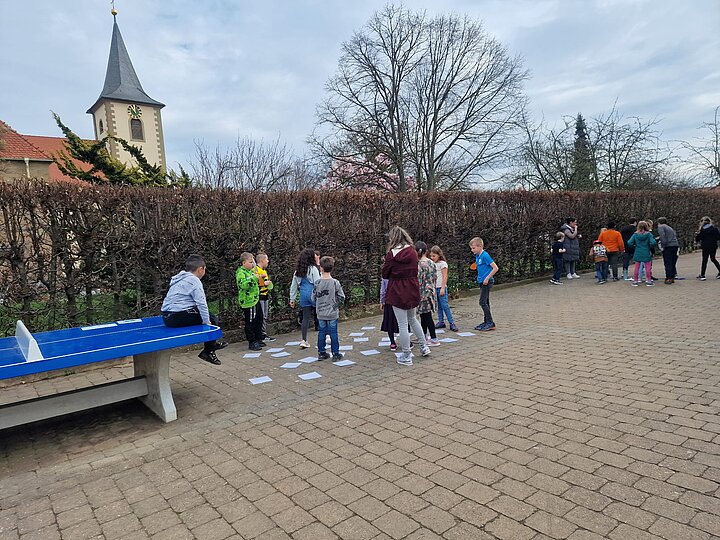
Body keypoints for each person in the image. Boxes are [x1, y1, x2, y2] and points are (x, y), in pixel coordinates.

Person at [161, 254, 226, 366]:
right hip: (177, 317)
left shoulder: (179, 279)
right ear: (200, 269)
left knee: (199, 311)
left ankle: (211, 346)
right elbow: (202, 303)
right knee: (213, 318)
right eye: (205, 269)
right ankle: (208, 351)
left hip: (167, 317)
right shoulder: (194, 281)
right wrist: (207, 322)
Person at [381, 226, 431, 366]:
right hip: (412, 287)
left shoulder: (392, 254)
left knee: (402, 324)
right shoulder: (413, 251)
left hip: (397, 289)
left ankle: (406, 355)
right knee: (413, 319)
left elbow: (385, 273)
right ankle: (424, 346)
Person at [312, 256, 346, 361]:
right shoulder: (335, 283)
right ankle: (335, 353)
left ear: (321, 268)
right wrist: (335, 305)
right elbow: (342, 297)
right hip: (332, 312)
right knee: (333, 333)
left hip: (321, 312)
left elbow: (312, 297)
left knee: (321, 332)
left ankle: (322, 353)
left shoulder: (317, 283)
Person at [289, 248, 321, 348]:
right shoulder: (313, 269)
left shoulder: (297, 271)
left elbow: (293, 285)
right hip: (313, 294)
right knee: (320, 316)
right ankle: (324, 338)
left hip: (303, 295)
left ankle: (304, 340)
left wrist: (292, 298)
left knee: (305, 318)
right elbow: (318, 282)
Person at [470, 237, 499, 331]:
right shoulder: (477, 256)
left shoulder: (485, 255)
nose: (472, 250)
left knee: (482, 302)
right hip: (481, 282)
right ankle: (486, 322)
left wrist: (487, 278)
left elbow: (495, 268)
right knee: (486, 302)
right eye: (471, 248)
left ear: (480, 246)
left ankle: (490, 323)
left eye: (473, 248)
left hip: (487, 282)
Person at [236, 252, 263, 350]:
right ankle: (252, 341)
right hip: (248, 301)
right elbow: (243, 285)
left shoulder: (251, 271)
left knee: (259, 319)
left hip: (255, 299)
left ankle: (258, 338)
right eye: (250, 262)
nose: (252, 264)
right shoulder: (241, 272)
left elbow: (256, 281)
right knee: (251, 321)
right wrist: (253, 278)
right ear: (243, 263)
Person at [416, 242, 440, 346]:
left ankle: (434, 338)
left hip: (422, 293)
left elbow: (417, 279)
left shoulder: (419, 264)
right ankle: (424, 336)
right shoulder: (431, 262)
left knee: (427, 316)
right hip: (431, 291)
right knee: (425, 315)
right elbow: (435, 277)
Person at [429, 245, 458, 331]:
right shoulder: (433, 264)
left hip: (441, 288)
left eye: (434, 256)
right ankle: (441, 322)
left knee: (445, 305)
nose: (432, 257)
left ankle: (452, 322)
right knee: (439, 306)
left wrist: (442, 288)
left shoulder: (443, 264)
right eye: (431, 256)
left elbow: (445, 276)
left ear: (439, 255)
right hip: (435, 288)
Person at [252, 253, 275, 341]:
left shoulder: (264, 270)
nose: (268, 261)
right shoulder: (256, 270)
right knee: (261, 316)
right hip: (260, 296)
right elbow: (255, 283)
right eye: (266, 259)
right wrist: (263, 284)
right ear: (262, 261)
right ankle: (261, 335)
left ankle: (264, 333)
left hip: (265, 296)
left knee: (265, 316)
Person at [627, 221, 657, 287]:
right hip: (646, 252)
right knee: (647, 268)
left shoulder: (635, 234)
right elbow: (653, 242)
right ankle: (648, 281)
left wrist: (634, 246)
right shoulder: (649, 234)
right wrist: (650, 246)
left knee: (637, 268)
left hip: (638, 251)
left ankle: (635, 281)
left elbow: (629, 242)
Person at [695, 216, 720, 280]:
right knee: (713, 259)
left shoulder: (702, 230)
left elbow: (698, 239)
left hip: (705, 246)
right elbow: (718, 237)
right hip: (713, 246)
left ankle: (702, 275)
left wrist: (697, 235)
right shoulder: (714, 229)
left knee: (705, 260)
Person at [656, 217, 679, 284]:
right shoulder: (669, 228)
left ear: (659, 222)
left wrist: (663, 246)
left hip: (668, 246)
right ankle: (672, 277)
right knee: (672, 262)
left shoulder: (661, 227)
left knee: (667, 262)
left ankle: (668, 278)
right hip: (675, 245)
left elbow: (663, 236)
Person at [379, 277, 399, 350]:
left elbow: (383, 291)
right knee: (402, 322)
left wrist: (382, 301)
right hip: (400, 300)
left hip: (389, 301)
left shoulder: (385, 277)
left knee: (390, 321)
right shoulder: (401, 272)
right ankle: (407, 342)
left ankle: (392, 342)